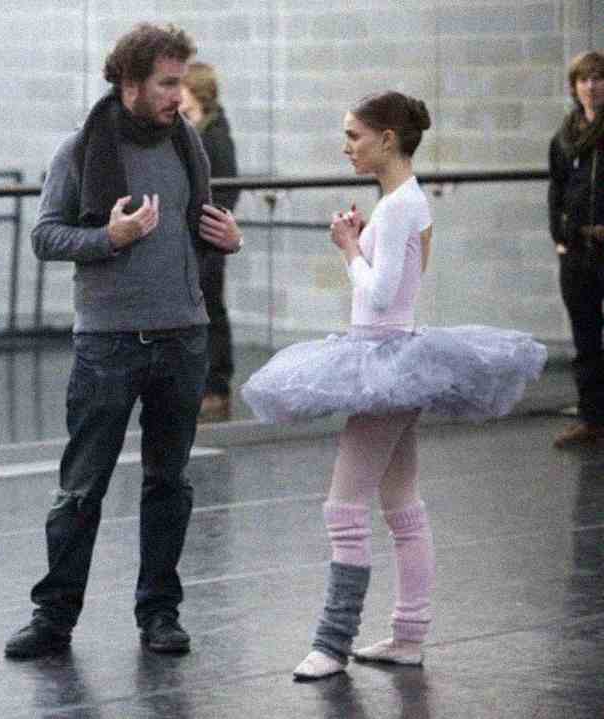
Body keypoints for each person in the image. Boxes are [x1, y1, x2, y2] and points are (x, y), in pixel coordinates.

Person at [241, 92, 546, 679]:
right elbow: (388, 291)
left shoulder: (401, 205)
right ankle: (408, 635)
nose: (346, 146)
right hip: (392, 355)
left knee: (344, 508)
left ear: (387, 138)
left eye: (354, 135)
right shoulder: (403, 203)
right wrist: (360, 245)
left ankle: (331, 644)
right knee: (401, 506)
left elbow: (381, 296)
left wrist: (349, 246)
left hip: (384, 359)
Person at [4, 23, 243, 659]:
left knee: (171, 483)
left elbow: (200, 226)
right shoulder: (80, 151)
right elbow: (46, 237)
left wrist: (228, 238)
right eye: (167, 84)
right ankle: (53, 618)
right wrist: (109, 238)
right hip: (108, 345)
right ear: (129, 83)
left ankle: (159, 614)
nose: (178, 96)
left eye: (182, 83)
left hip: (183, 337)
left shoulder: (189, 143)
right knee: (82, 488)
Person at [181, 62, 241, 421]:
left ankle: (216, 385)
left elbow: (224, 189)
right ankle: (204, 383)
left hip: (208, 235)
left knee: (211, 310)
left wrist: (211, 230)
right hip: (198, 234)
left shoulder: (214, 134)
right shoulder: (197, 129)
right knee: (203, 309)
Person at [549, 51, 604, 448]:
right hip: (578, 251)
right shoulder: (565, 136)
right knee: (585, 339)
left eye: (598, 79)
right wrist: (560, 238)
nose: (591, 86)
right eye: (584, 80)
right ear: (574, 86)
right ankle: (592, 419)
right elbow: (556, 190)